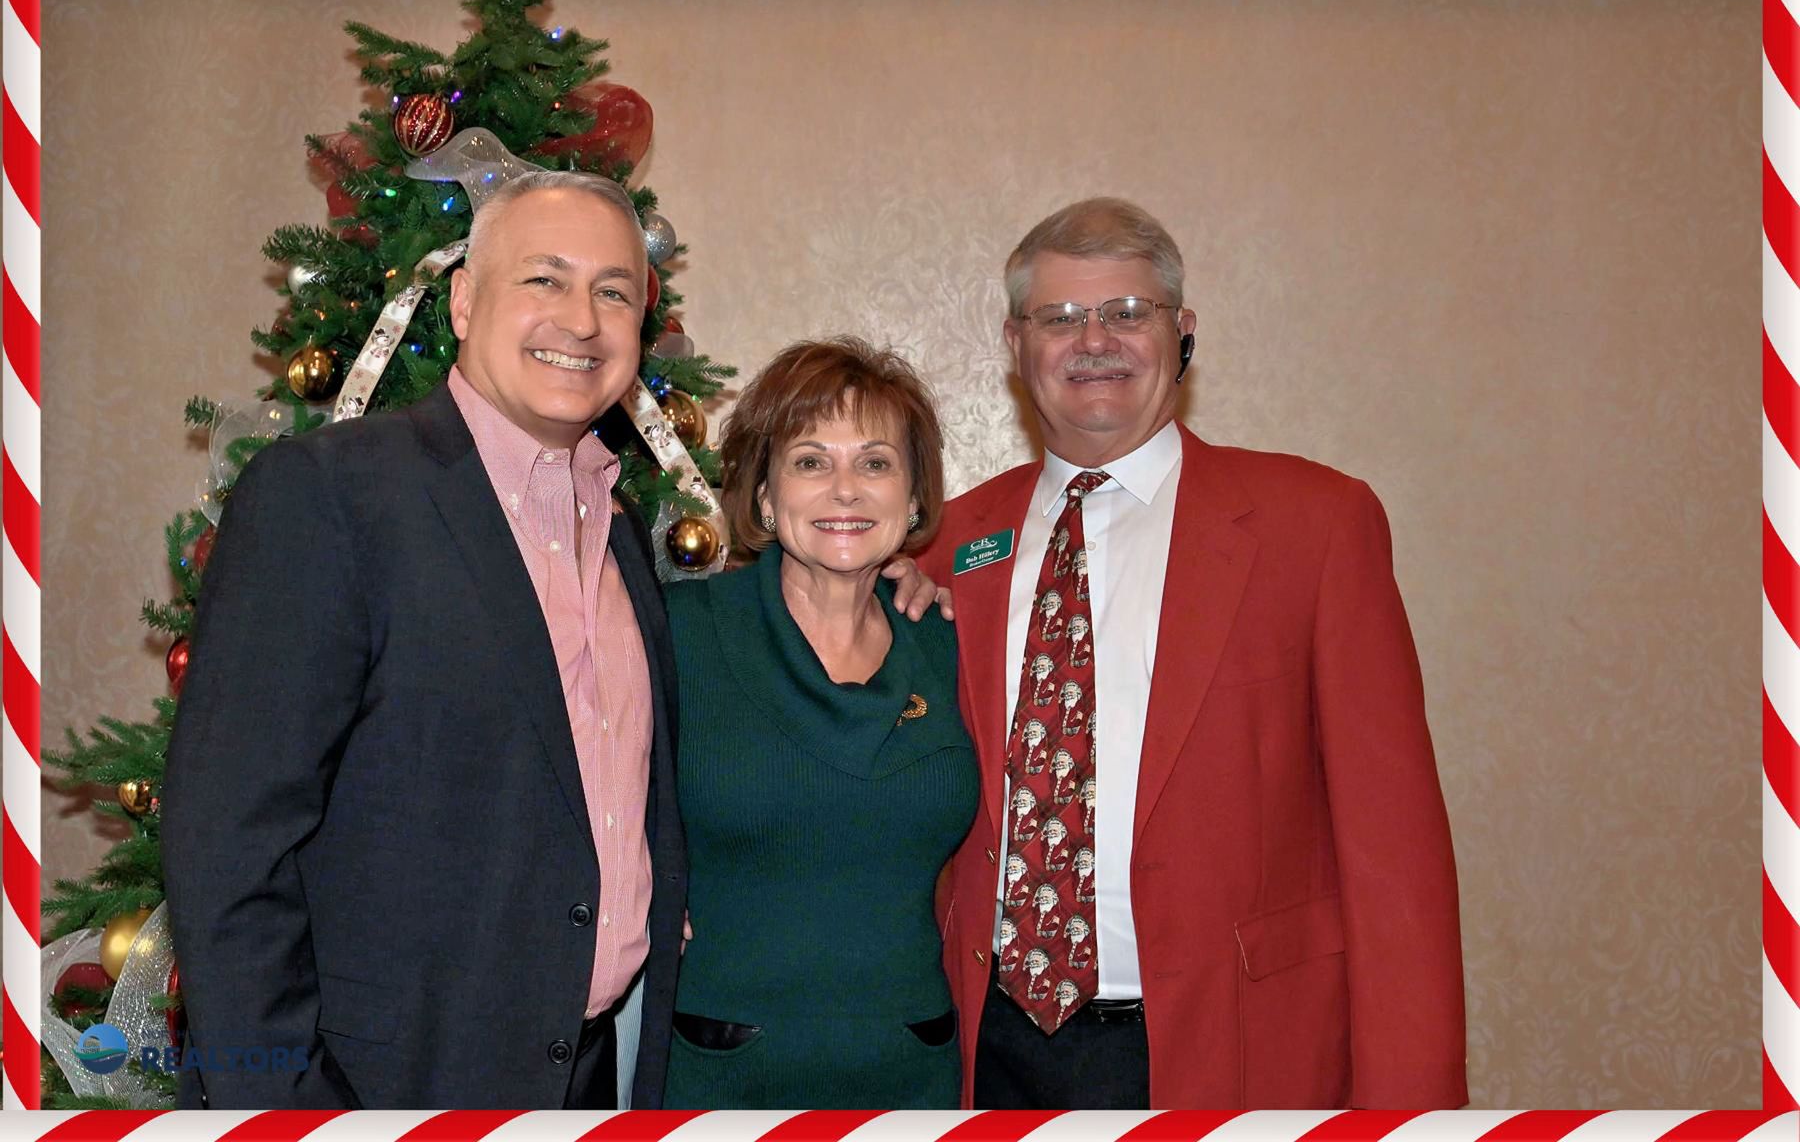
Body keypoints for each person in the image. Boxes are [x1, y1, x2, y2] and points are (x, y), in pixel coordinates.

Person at [918, 197, 1465, 1109]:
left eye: (1128, 312)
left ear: (1182, 332)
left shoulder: (1315, 526)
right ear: (1016, 345)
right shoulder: (945, 546)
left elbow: (1395, 853)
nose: (1095, 340)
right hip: (990, 1053)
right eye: (1060, 317)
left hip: (1236, 1053)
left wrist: (1412, 1106)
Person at [163, 170, 688, 1110]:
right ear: (463, 301)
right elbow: (228, 849)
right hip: (374, 1093)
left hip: (583, 1080)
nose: (581, 319)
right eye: (545, 278)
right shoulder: (329, 495)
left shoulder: (620, 535)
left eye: (614, 292)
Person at [661, 338, 978, 1109]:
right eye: (810, 461)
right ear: (765, 497)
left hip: (911, 1077)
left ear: (913, 499)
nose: (845, 490)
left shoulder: (949, 641)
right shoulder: (678, 632)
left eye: (875, 463)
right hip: (718, 1078)